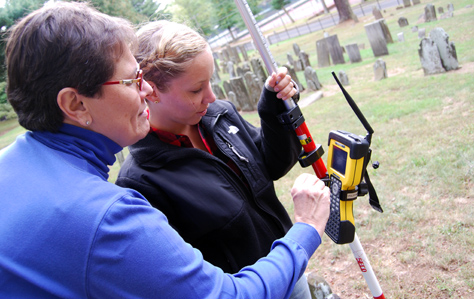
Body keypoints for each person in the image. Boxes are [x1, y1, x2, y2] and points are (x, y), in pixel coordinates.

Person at [0, 2, 331, 299]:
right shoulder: (110, 216)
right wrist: (305, 229)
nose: (146, 90)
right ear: (75, 104)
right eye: (131, 81)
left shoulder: (13, 168)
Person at [115, 20, 310, 298]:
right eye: (196, 90)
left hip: (287, 267)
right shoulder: (142, 180)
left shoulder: (220, 115)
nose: (211, 95)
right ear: (151, 89)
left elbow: (271, 165)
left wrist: (274, 108)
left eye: (210, 82)